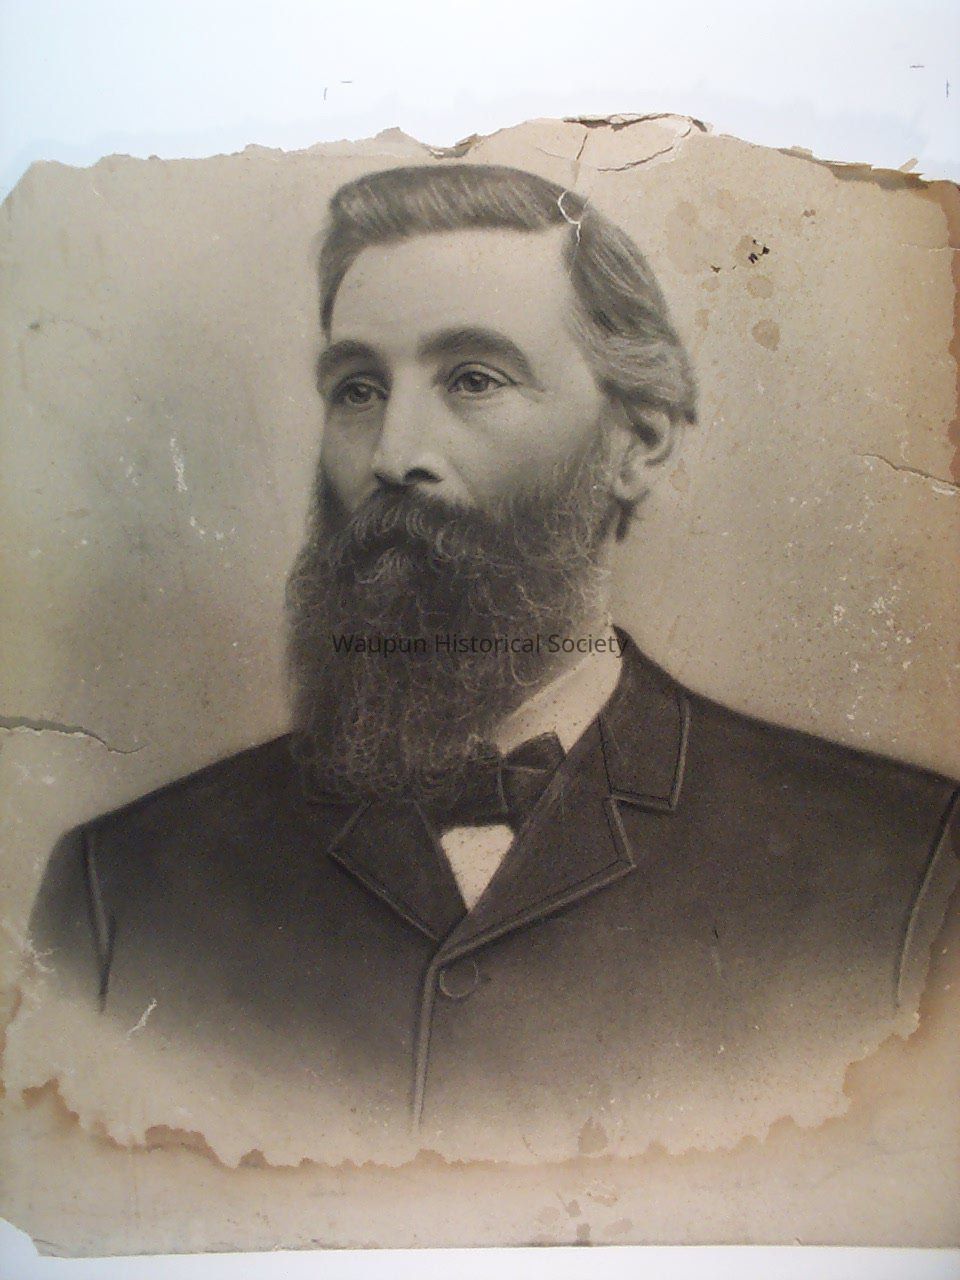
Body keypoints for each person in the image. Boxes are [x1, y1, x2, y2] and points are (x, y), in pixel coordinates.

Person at [28, 164, 959, 1156]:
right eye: (358, 389)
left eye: (473, 379)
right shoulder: (122, 889)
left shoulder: (905, 873)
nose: (393, 454)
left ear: (637, 442)